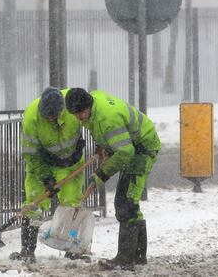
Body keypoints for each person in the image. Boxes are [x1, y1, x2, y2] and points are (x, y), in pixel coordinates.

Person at [65, 88, 162, 270]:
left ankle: (125, 259)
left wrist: (102, 173)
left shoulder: (107, 118)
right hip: (132, 146)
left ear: (88, 106)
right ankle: (138, 256)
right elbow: (109, 136)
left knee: (125, 203)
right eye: (75, 114)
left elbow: (125, 151)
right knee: (129, 202)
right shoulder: (93, 106)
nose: (78, 118)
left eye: (80, 113)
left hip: (142, 149)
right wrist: (103, 146)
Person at [10, 87, 87, 263]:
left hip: (70, 164)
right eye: (47, 116)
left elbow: (90, 120)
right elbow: (30, 154)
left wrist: (79, 150)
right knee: (33, 203)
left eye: (54, 115)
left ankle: (72, 247)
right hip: (41, 162)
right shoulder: (31, 118)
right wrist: (46, 177)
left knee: (71, 204)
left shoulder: (74, 106)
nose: (51, 119)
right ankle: (27, 250)